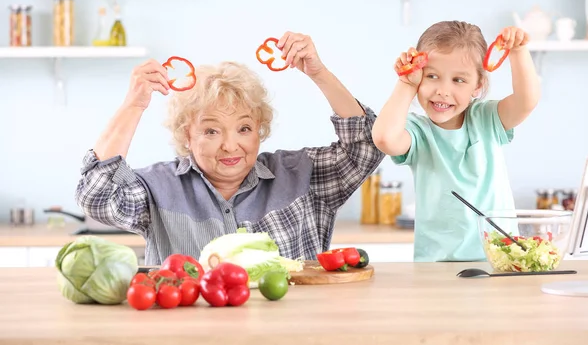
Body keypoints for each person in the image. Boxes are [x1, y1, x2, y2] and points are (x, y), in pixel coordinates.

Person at [75, 31, 385, 265]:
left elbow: (367, 146)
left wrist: (319, 73)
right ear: (187, 135)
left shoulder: (299, 176)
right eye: (211, 130)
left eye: (244, 128)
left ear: (259, 131)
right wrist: (134, 104)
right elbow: (96, 196)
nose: (230, 145)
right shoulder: (159, 188)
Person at [372, 21, 540, 262]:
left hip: (500, 261)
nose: (442, 90)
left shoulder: (487, 119)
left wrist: (518, 51)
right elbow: (384, 138)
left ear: (478, 85)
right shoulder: (418, 131)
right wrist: (406, 83)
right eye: (432, 76)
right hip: (435, 267)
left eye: (458, 80)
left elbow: (527, 100)